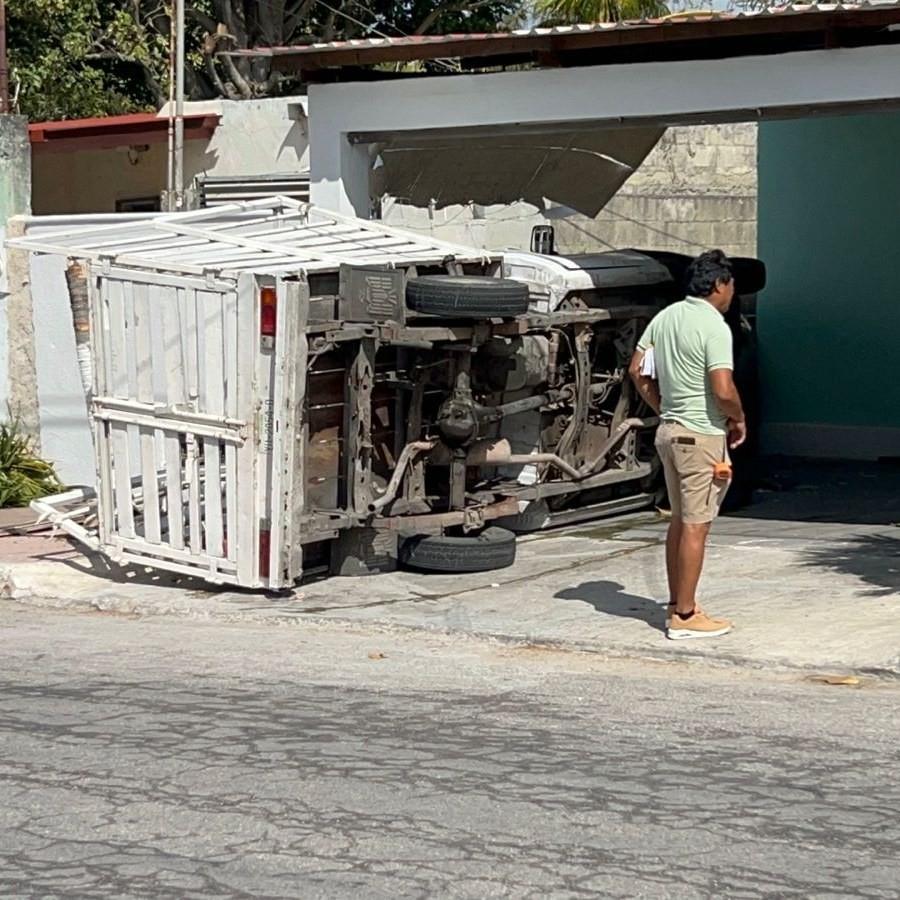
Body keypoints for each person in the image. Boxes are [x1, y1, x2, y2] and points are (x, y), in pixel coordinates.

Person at [629, 249, 746, 640]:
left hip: (670, 432)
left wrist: (662, 406)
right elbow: (723, 387)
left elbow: (637, 369)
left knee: (680, 522)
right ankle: (685, 614)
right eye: (731, 285)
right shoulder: (715, 326)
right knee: (697, 526)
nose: (732, 294)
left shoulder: (666, 317)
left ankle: (678, 601)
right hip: (702, 436)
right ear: (719, 285)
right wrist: (738, 417)